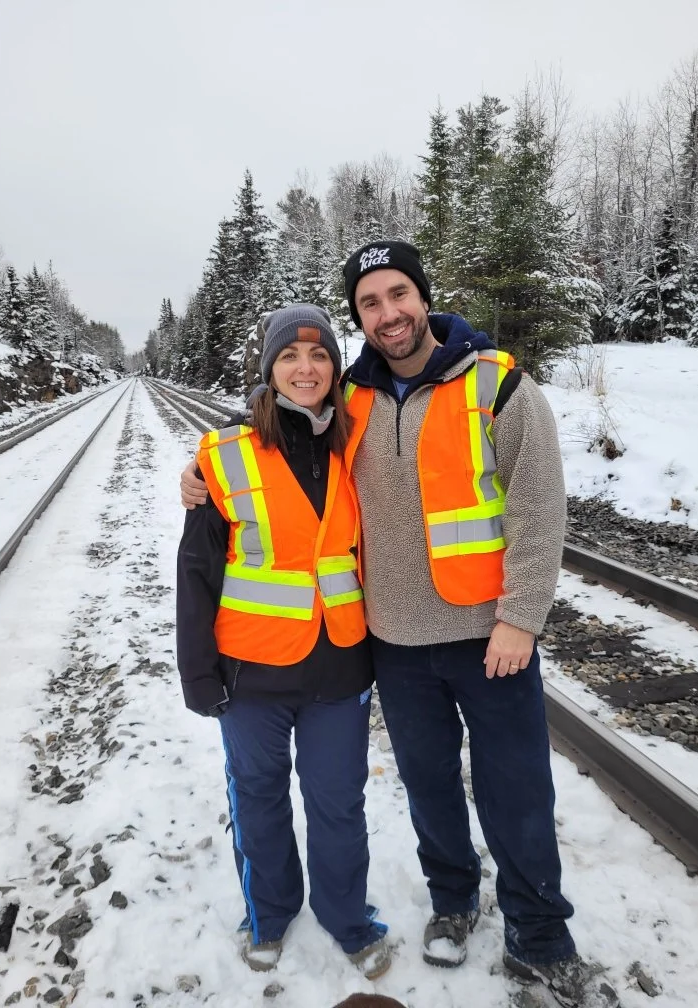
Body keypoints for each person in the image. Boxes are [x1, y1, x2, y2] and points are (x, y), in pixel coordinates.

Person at [181, 245, 615, 1008]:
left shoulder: (497, 382)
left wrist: (521, 618)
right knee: (429, 787)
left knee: (516, 790)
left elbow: (540, 508)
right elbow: (282, 416)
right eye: (370, 304)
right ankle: (453, 901)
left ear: (423, 296)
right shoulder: (353, 398)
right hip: (395, 642)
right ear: (361, 320)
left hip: (492, 639)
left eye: (398, 294)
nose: (388, 313)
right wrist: (201, 465)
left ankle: (539, 934)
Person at [176, 304, 390, 980]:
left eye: (321, 355)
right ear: (269, 368)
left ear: (336, 368)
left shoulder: (358, 448)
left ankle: (346, 916)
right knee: (258, 797)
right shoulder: (225, 455)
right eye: (291, 357)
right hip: (250, 674)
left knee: (339, 802)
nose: (306, 368)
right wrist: (198, 673)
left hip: (339, 669)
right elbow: (197, 569)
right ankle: (268, 913)